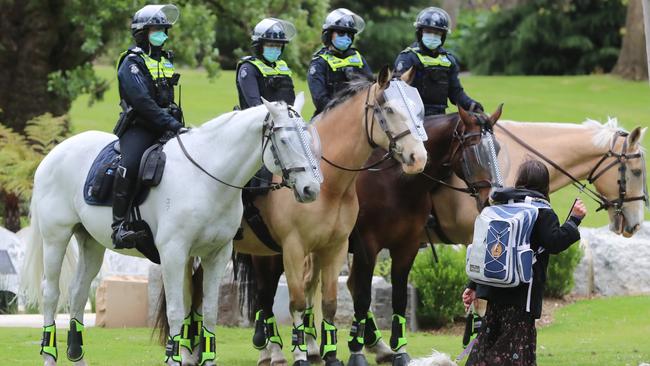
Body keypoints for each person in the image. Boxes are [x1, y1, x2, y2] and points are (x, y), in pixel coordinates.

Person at [462, 159, 588, 366]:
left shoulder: (501, 207)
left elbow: (487, 251)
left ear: (520, 181)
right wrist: (574, 220)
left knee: (488, 344)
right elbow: (554, 243)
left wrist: (474, 285)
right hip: (522, 296)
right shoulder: (542, 211)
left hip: (495, 291)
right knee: (512, 351)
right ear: (544, 185)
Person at [112, 4, 184, 249]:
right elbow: (143, 102)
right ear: (142, 33)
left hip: (168, 126)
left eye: (164, 30)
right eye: (156, 29)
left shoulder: (165, 59)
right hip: (140, 127)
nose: (161, 34)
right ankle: (119, 226)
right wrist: (171, 123)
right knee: (130, 165)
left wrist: (176, 121)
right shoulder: (131, 62)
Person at [394, 7, 482, 116]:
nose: (432, 36)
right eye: (428, 31)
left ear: (443, 36)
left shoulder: (449, 60)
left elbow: (456, 93)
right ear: (420, 33)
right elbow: (397, 93)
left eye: (437, 33)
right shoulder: (408, 57)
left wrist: (472, 105)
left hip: (440, 117)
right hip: (414, 117)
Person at [308, 8, 373, 117]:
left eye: (350, 34)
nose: (346, 38)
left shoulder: (358, 59)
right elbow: (320, 100)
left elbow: (371, 89)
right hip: (330, 118)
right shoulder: (319, 63)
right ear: (328, 35)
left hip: (359, 116)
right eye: (341, 33)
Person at [236, 18, 297, 109]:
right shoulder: (249, 68)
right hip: (259, 121)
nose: (275, 49)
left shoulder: (282, 66)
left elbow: (291, 100)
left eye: (279, 46)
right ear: (259, 46)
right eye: (271, 45)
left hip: (285, 119)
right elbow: (255, 106)